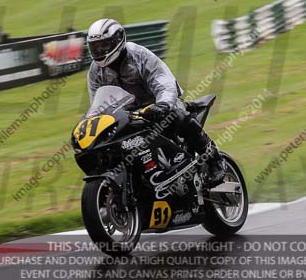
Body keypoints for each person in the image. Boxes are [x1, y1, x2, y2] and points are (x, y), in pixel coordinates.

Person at [86, 18, 226, 185]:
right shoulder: (95, 71)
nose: (99, 50)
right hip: (128, 115)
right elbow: (97, 103)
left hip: (159, 104)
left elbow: (163, 82)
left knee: (178, 115)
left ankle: (213, 159)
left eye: (104, 45)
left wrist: (163, 105)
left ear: (118, 40)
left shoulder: (139, 55)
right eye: (95, 47)